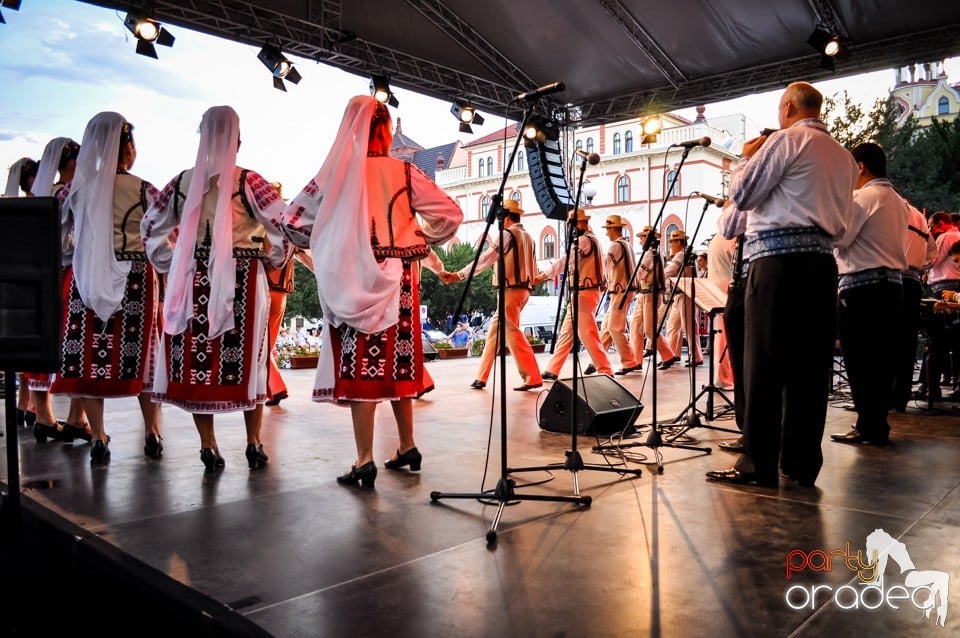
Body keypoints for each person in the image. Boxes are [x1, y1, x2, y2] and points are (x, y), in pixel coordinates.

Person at [280, 96, 462, 489]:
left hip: (353, 275)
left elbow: (291, 222)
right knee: (399, 361)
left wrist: (331, 238)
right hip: (401, 277)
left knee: (361, 365)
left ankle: (365, 458)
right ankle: (407, 445)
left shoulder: (334, 176)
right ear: (384, 129)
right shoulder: (404, 171)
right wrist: (417, 238)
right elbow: (450, 214)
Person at [707, 82, 857, 488]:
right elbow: (844, 231)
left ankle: (759, 464)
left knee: (764, 366)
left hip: (776, 266)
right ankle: (801, 463)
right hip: (822, 266)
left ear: (787, 107)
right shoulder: (845, 160)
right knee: (810, 369)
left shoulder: (788, 141)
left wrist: (743, 159)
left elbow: (743, 191)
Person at [143, 105, 291, 473]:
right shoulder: (249, 181)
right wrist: (272, 257)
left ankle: (208, 444)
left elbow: (150, 226)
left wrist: (169, 260)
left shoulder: (181, 183)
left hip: (193, 280)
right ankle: (253, 441)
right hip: (243, 276)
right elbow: (285, 222)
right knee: (253, 360)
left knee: (197, 363)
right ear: (237, 140)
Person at [50, 113, 162, 465]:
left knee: (90, 357)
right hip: (135, 277)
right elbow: (162, 233)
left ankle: (97, 434)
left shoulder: (76, 189)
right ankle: (152, 431)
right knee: (145, 354)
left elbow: (59, 233)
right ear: (127, 147)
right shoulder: (144, 189)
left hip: (88, 276)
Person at [829, 143, 906, 446]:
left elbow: (842, 237)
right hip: (892, 286)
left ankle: (867, 425)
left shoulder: (863, 197)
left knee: (860, 360)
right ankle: (877, 424)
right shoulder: (898, 200)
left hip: (862, 287)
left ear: (860, 166)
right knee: (882, 360)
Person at [21, 137, 92, 444]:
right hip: (68, 272)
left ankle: (44, 415)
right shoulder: (72, 192)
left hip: (40, 276)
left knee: (45, 343)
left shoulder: (40, 195)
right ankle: (77, 416)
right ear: (71, 162)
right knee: (76, 342)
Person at [440, 199, 542, 391]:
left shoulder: (507, 235)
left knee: (512, 332)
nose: (497, 220)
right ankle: (482, 377)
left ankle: (532, 375)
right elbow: (534, 270)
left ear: (506, 217)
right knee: (494, 334)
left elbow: (484, 260)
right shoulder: (528, 236)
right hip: (523, 289)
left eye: (499, 216)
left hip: (510, 289)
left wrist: (459, 275)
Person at [541, 209, 612, 380]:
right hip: (581, 293)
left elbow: (566, 260)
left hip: (584, 292)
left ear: (580, 224)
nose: (570, 230)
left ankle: (605, 368)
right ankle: (553, 368)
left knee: (588, 333)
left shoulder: (585, 240)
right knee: (567, 334)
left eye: (572, 225)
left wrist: (545, 274)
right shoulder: (591, 239)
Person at [915, 211, 960, 402]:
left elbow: (931, 260)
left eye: (933, 226)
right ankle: (950, 385)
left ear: (942, 223)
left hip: (944, 291)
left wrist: (913, 263)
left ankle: (929, 387)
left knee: (936, 340)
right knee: (954, 341)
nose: (931, 230)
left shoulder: (946, 237)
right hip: (956, 292)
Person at [596, 214, 640, 375]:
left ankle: (629, 362)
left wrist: (596, 277)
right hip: (624, 290)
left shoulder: (615, 245)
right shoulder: (626, 245)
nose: (607, 233)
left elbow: (605, 264)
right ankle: (598, 360)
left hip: (620, 290)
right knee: (607, 328)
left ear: (613, 229)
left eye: (608, 229)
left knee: (614, 328)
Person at [628, 225, 676, 366]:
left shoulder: (651, 254)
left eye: (642, 237)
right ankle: (636, 361)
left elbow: (640, 274)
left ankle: (668, 356)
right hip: (644, 293)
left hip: (650, 293)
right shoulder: (652, 253)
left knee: (649, 329)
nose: (640, 241)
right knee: (635, 326)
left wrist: (629, 284)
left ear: (648, 238)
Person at [662, 230, 702, 368]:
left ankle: (696, 357)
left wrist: (658, 278)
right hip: (679, 294)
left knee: (688, 327)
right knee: (673, 326)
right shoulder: (684, 254)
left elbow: (671, 270)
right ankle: (671, 355)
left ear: (679, 242)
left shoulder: (682, 254)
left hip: (685, 293)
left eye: (672, 242)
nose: (671, 245)